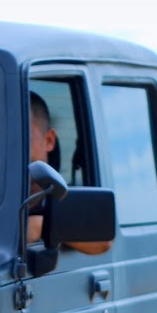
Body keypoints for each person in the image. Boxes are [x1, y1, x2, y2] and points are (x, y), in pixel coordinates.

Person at [27, 91, 112, 255]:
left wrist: (41, 225)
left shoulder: (59, 194)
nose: (12, 150)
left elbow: (103, 240)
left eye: (23, 138)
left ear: (49, 140)